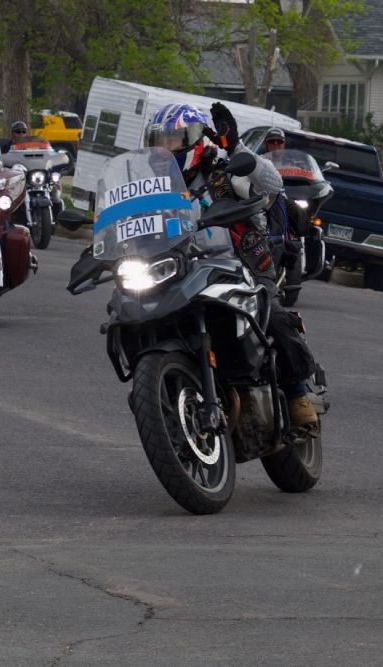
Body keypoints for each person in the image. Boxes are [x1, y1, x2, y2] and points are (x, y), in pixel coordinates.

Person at [144, 102, 321, 434]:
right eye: (159, 141)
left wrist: (237, 147)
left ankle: (298, 392)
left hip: (241, 262)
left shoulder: (225, 172)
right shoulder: (153, 188)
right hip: (184, 269)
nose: (164, 148)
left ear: (195, 140)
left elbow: (272, 187)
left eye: (172, 140)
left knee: (270, 315)